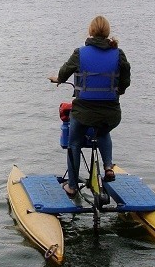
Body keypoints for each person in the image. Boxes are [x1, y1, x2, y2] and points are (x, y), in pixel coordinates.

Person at [48, 15, 131, 197]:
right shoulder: (119, 54)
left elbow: (64, 72)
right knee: (103, 131)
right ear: (107, 32)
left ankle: (71, 186)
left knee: (75, 142)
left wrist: (59, 79)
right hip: (111, 113)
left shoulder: (80, 53)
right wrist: (120, 90)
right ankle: (108, 166)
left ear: (91, 32)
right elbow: (125, 80)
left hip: (83, 111)